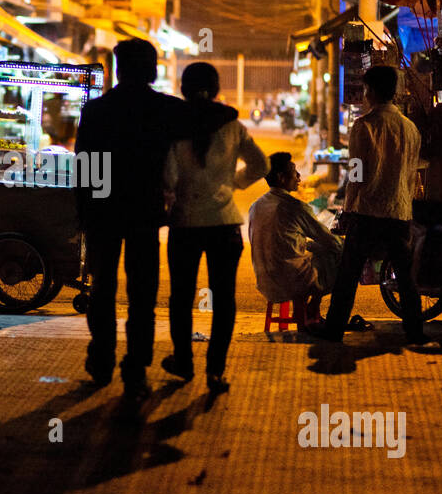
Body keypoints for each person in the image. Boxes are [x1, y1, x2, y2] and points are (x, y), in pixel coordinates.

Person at [74, 38, 189, 399]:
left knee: (102, 289)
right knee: (143, 295)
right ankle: (136, 367)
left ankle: (102, 359)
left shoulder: (97, 110)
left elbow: (85, 167)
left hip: (103, 212)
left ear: (118, 68)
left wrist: (85, 212)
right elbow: (209, 120)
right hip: (145, 213)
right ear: (152, 69)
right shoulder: (166, 110)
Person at [161, 61, 268, 393]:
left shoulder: (174, 126)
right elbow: (261, 164)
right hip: (224, 224)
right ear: (217, 88)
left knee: (181, 297)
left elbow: (168, 177)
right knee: (224, 299)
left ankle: (183, 361)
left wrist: (175, 194)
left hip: (185, 224)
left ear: (184, 89)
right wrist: (233, 184)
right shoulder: (233, 126)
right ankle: (216, 371)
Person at [306, 65, 428, 345]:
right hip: (399, 211)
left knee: (348, 275)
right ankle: (415, 332)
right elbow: (412, 173)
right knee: (406, 278)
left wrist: (347, 209)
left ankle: (334, 329)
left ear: (370, 91)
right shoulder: (410, 129)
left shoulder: (364, 126)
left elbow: (357, 174)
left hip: (368, 212)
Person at [248, 152, 343, 324]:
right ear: (281, 177)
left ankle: (312, 310)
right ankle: (315, 308)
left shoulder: (256, 206)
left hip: (264, 280)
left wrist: (312, 246)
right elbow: (328, 240)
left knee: (319, 251)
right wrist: (343, 245)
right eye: (294, 171)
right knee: (340, 254)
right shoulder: (294, 207)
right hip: (292, 278)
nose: (299, 176)